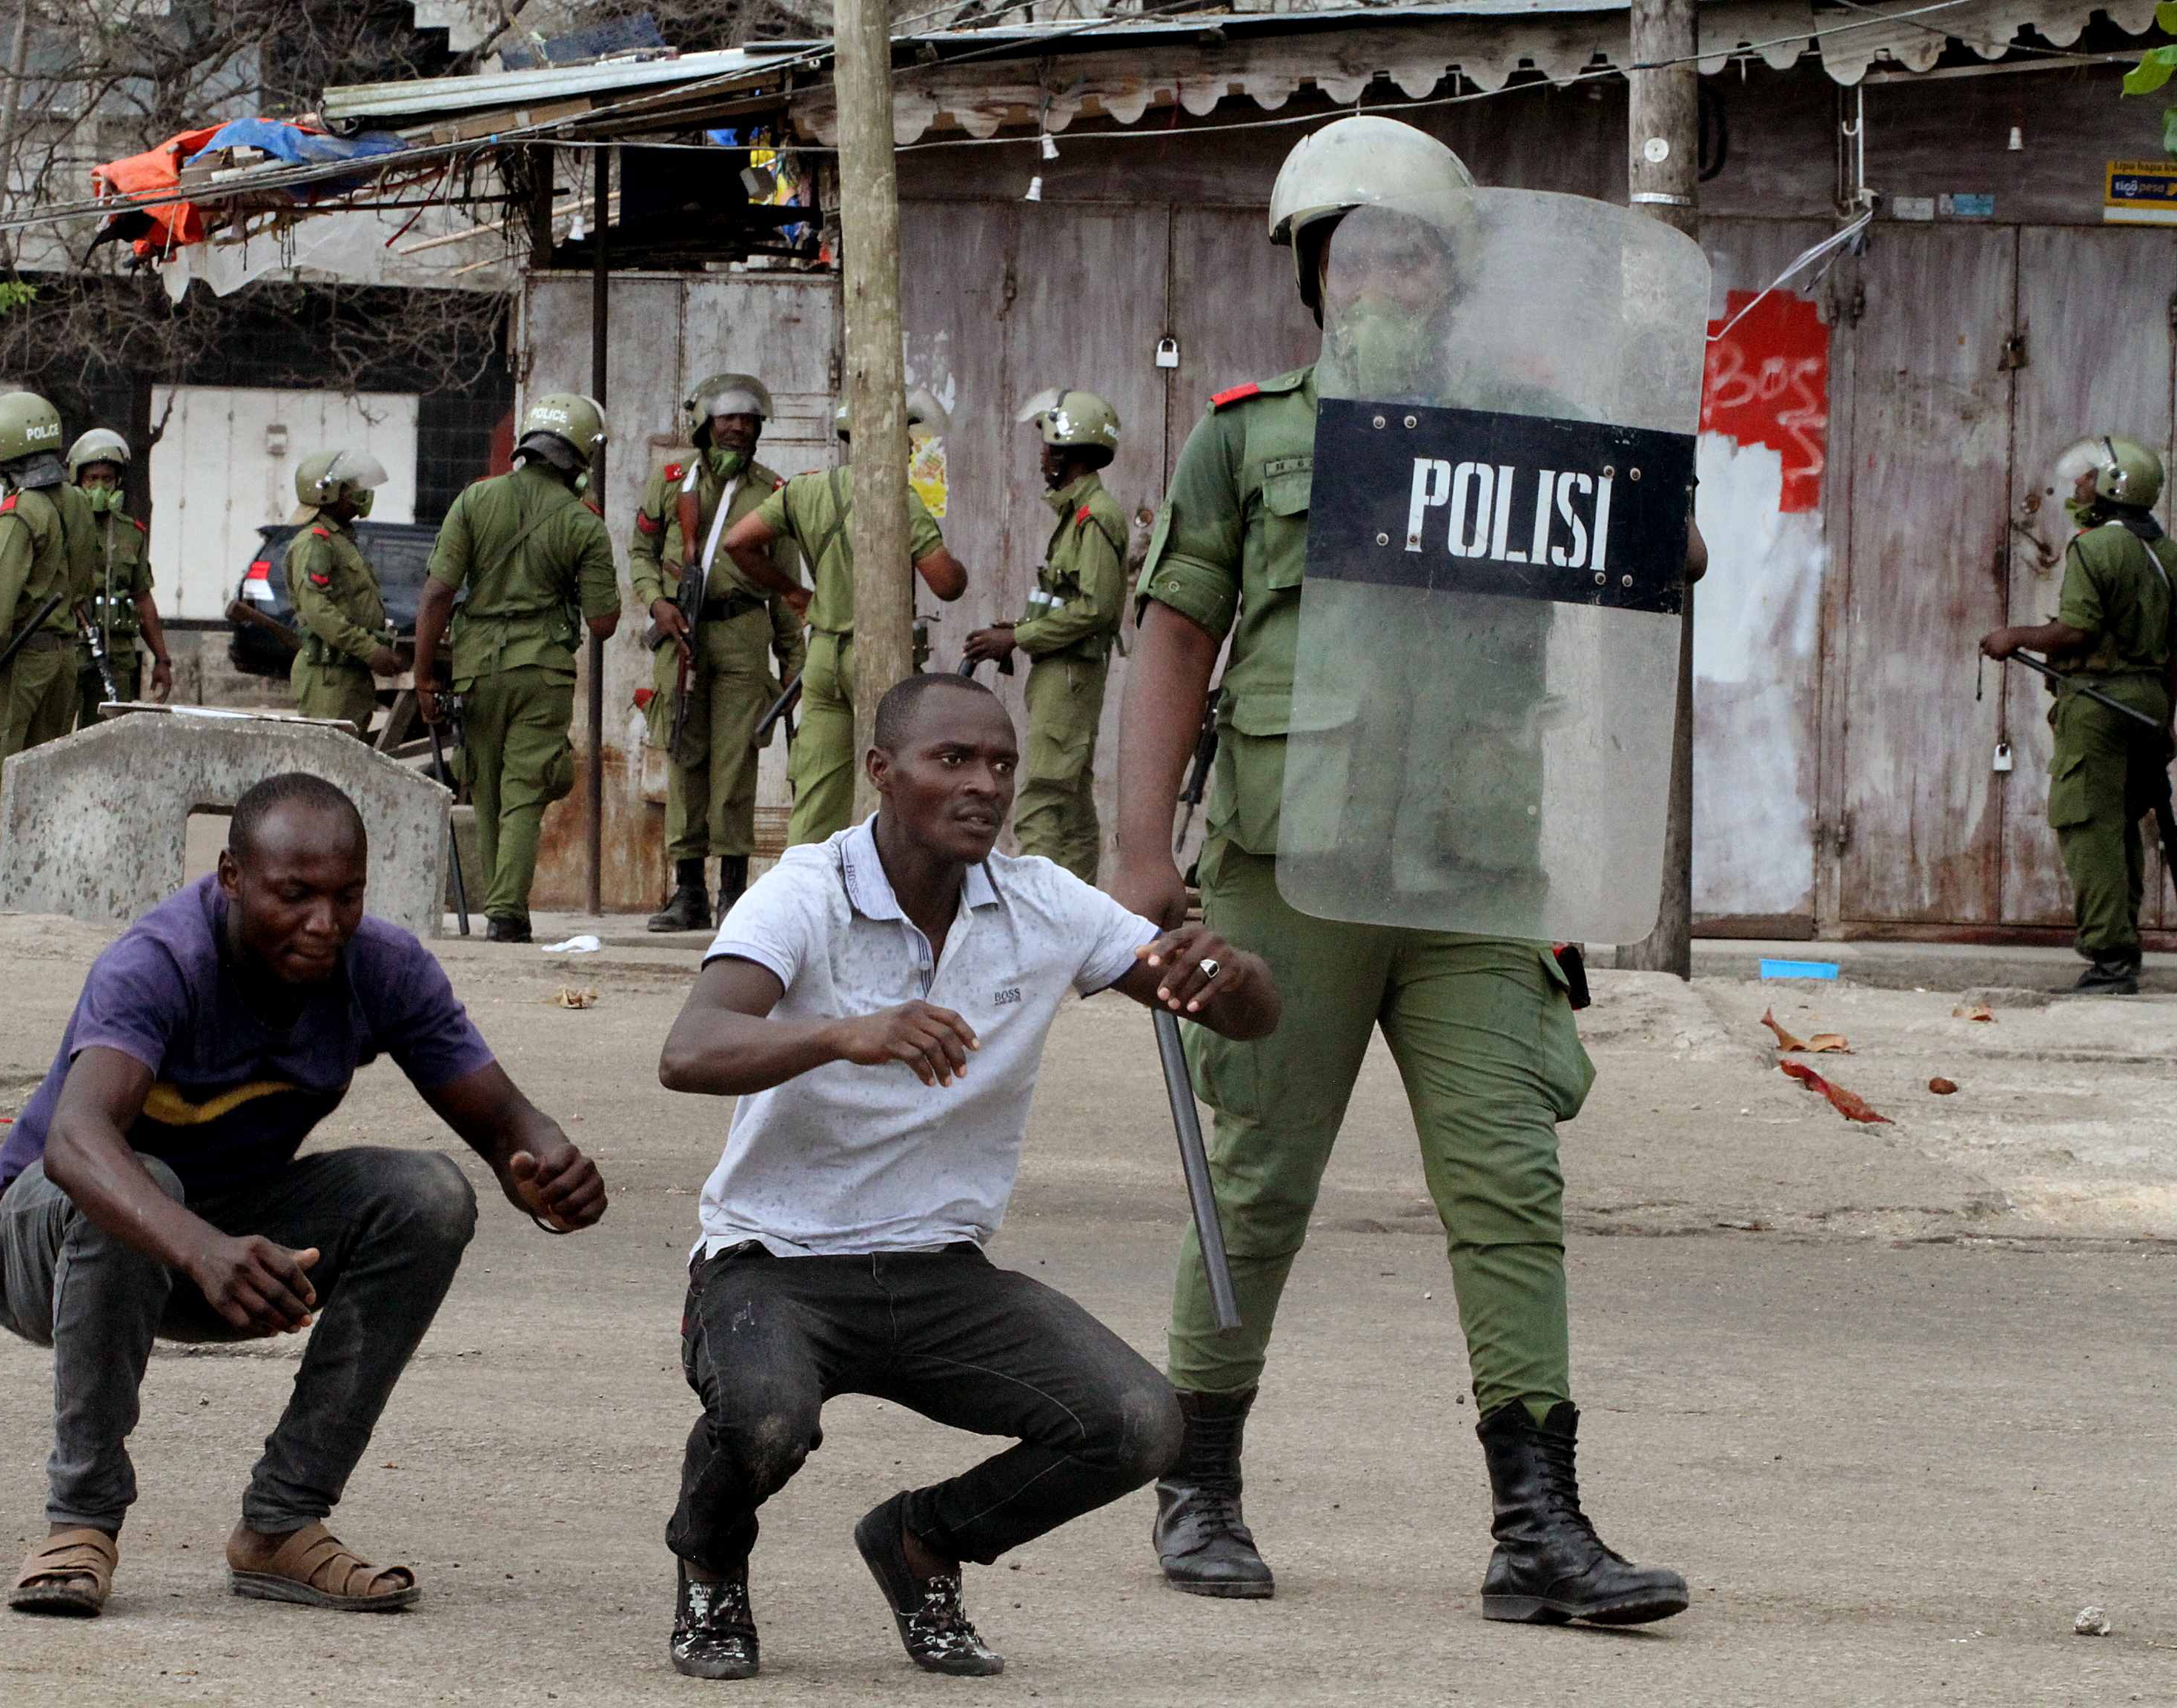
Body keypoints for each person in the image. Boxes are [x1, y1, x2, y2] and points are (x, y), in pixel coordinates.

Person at [1109, 115, 1689, 1625]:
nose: (1381, 272)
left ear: (1454, 275)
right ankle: (1197, 1483)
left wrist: (1657, 518)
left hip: (1476, 880)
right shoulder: (1249, 435)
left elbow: (1652, 567)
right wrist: (1135, 853)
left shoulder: (1529, 428)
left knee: (1510, 1184)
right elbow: (1176, 632)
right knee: (1257, 1184)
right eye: (1353, 249)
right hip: (1287, 870)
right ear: (1314, 274)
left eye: (1410, 249)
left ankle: (1537, 1528)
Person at [654, 671, 1280, 1681]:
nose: (984, 783)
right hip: (772, 1262)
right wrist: (849, 1033)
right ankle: (711, 1562)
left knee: (1138, 1423)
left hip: (938, 1272)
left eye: (999, 763)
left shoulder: (1042, 903)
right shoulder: (807, 891)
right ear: (882, 773)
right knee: (767, 1419)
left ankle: (921, 1542)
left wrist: (1237, 980)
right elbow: (690, 1051)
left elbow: (1232, 1014)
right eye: (953, 760)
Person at [0, 772, 607, 1618]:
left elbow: (502, 1123)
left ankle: (282, 1525)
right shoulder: (159, 964)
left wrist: (551, 1170)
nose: (324, 923)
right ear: (232, 877)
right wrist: (199, 1247)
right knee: (138, 1179)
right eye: (295, 895)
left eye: (347, 896)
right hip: (42, 1250)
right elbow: (76, 1144)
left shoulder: (381, 967)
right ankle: (80, 1521)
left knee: (429, 1196)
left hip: (226, 1243)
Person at [412, 394, 621, 942]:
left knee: (485, 789)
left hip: (476, 668)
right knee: (526, 790)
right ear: (579, 455)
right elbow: (603, 623)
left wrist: (423, 675)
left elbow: (436, 593)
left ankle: (503, 910)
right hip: (543, 673)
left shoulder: (474, 501)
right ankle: (506, 912)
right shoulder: (583, 524)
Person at [721, 389, 968, 848]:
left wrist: (796, 593)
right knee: (906, 787)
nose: (913, 447)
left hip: (822, 660)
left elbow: (737, 542)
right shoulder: (900, 499)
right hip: (881, 658)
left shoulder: (805, 490)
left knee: (815, 802)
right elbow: (946, 585)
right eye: (905, 437)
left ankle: (804, 912)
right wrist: (958, 567)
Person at [1981, 436, 2176, 996]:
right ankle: (2123, 946)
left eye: (2087, 478)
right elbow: (2174, 650)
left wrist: (2012, 636)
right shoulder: (2169, 554)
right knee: (2123, 829)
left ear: (2115, 485)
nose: (2077, 487)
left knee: (2089, 826)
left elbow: (2078, 631)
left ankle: (2111, 960)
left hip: (2099, 705)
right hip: (2146, 704)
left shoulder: (2095, 549)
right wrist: (2165, 722)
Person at [633, 374, 806, 930]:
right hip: (681, 632)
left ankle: (734, 893)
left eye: (748, 420)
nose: (737, 429)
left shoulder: (775, 493)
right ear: (704, 425)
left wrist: (796, 664)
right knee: (684, 756)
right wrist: (657, 602)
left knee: (736, 764)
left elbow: (785, 585)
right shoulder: (670, 483)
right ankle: (688, 893)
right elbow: (641, 550)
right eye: (727, 419)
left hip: (742, 634)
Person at [962, 388, 1129, 881]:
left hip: (1071, 675)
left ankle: (1038, 908)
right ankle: (1078, 909)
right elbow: (1070, 600)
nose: (1041, 458)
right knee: (1072, 802)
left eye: (1048, 447)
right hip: (1061, 670)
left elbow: (1095, 608)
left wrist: (1017, 640)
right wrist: (1017, 630)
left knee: (1040, 795)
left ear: (1069, 453)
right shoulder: (1076, 515)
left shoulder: (1094, 516)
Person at [0, 391, 97, 911]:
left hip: (19, 660)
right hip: (62, 658)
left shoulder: (20, 511)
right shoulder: (76, 503)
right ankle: (37, 878)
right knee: (38, 772)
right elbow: (81, 583)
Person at [285, 448, 401, 738]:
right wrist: (370, 650)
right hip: (329, 680)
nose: (361, 494)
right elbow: (317, 610)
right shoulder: (316, 543)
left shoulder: (341, 540)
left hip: (349, 675)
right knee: (327, 770)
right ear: (328, 493)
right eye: (352, 488)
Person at [67, 428, 173, 726]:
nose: (100, 487)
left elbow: (142, 597)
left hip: (117, 658)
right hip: (69, 655)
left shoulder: (131, 533)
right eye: (92, 479)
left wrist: (162, 660)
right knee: (56, 739)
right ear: (78, 480)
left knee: (105, 739)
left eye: (107, 479)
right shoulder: (62, 526)